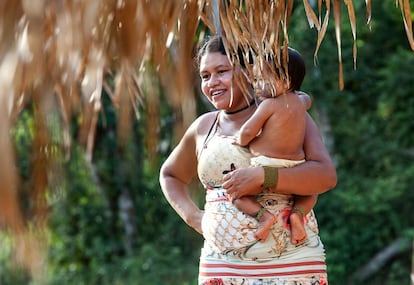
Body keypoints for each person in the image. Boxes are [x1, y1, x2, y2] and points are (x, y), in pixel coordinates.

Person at [159, 35, 336, 285]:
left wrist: (266, 177)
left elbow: (325, 176)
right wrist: (194, 217)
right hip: (221, 267)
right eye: (205, 76)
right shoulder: (204, 127)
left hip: (293, 264)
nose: (212, 82)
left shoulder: (286, 113)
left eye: (222, 71)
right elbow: (170, 175)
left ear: (249, 71)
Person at [232, 47, 317, 246]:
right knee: (310, 194)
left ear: (285, 82)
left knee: (237, 196)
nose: (257, 85)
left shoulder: (268, 105)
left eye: (262, 79)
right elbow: (306, 98)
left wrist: (240, 140)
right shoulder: (302, 101)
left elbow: (247, 132)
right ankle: (297, 214)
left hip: (266, 164)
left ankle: (264, 217)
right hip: (296, 166)